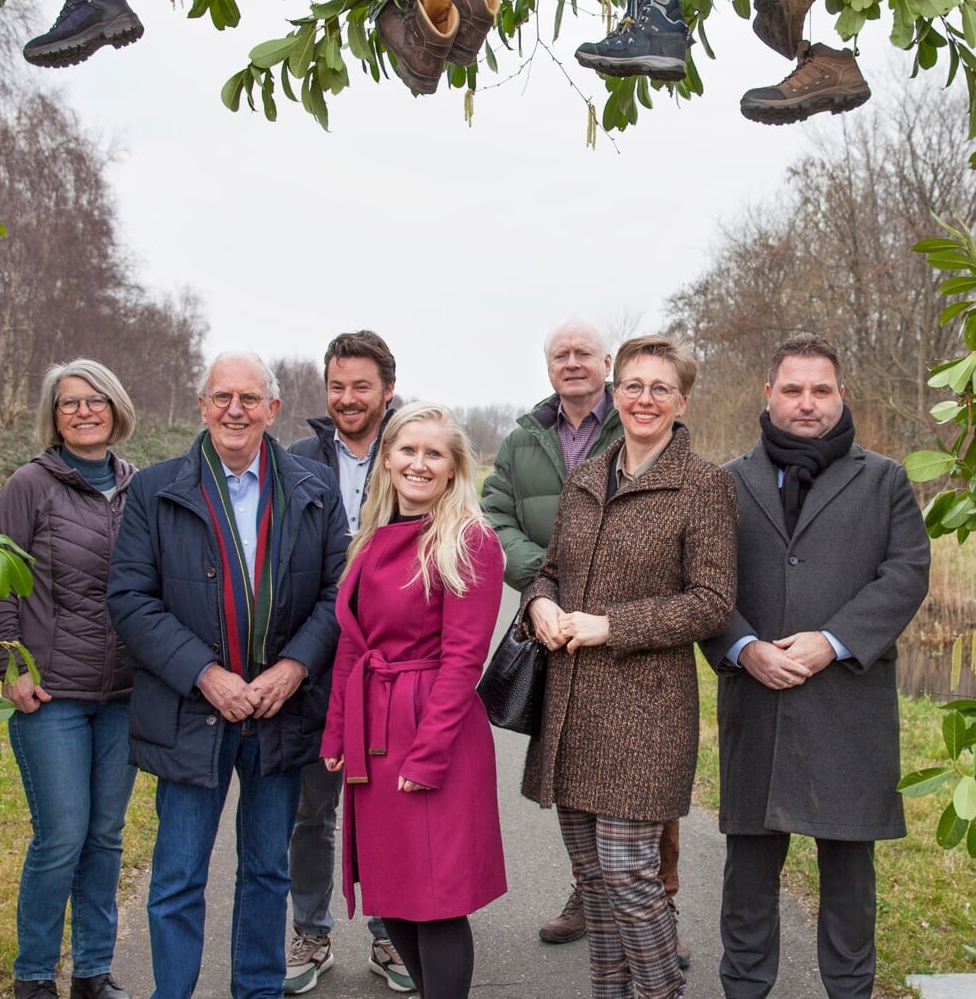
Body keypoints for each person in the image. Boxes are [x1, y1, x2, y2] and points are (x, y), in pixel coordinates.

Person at [108, 352, 347, 999]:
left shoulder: (312, 488)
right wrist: (205, 674)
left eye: (249, 398)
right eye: (221, 398)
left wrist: (295, 668)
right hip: (192, 712)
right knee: (179, 874)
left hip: (279, 711)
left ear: (273, 408)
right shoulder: (155, 490)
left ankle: (258, 991)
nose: (234, 410)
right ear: (202, 405)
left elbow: (337, 593)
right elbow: (130, 598)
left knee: (267, 872)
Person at [701, 335, 931, 999]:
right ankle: (744, 988)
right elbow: (706, 582)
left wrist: (834, 639)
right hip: (758, 701)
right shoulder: (727, 481)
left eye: (821, 390)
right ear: (768, 395)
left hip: (848, 705)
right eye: (793, 389)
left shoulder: (883, 479)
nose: (808, 403)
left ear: (841, 396)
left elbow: (907, 573)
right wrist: (744, 647)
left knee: (850, 881)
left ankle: (850, 991)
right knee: (748, 875)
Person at [522, 334, 738, 999]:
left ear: (681, 401)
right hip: (572, 711)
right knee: (594, 882)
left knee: (630, 878)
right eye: (635, 386)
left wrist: (613, 625)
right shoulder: (586, 479)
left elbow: (712, 602)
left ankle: (660, 991)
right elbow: (550, 572)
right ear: (616, 395)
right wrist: (539, 606)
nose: (645, 399)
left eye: (661, 388)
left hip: (648, 715)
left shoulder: (705, 486)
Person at [485, 321, 685, 952]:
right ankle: (590, 896)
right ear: (548, 368)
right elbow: (497, 514)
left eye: (582, 354)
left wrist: (599, 584)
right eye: (558, 355)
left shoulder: (645, 427)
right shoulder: (525, 439)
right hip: (563, 632)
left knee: (640, 802)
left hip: (627, 642)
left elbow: (697, 575)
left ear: (605, 364)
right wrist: (546, 584)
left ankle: (659, 912)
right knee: (578, 788)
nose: (571, 363)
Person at [320, 402, 509, 999]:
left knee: (437, 898)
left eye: (435, 453)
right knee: (392, 891)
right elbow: (352, 645)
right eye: (408, 450)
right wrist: (335, 733)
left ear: (455, 468)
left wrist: (427, 755)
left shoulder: (469, 541)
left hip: (433, 732)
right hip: (373, 732)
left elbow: (462, 660)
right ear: (388, 458)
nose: (419, 464)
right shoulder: (371, 537)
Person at [0, 359, 142, 999]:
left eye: (94, 400)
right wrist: (10, 664)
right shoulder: (30, 485)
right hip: (52, 697)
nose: (82, 411)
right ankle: (34, 976)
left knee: (104, 837)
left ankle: (94, 973)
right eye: (69, 403)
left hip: (124, 696)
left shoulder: (140, 487)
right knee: (62, 835)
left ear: (116, 408)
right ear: (55, 415)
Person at [284, 330, 409, 993]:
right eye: (337, 386)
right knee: (312, 810)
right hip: (315, 660)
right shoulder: (298, 459)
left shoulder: (413, 452)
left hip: (390, 668)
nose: (348, 398)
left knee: (387, 809)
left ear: (387, 389)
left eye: (361, 386)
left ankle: (392, 937)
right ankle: (312, 931)